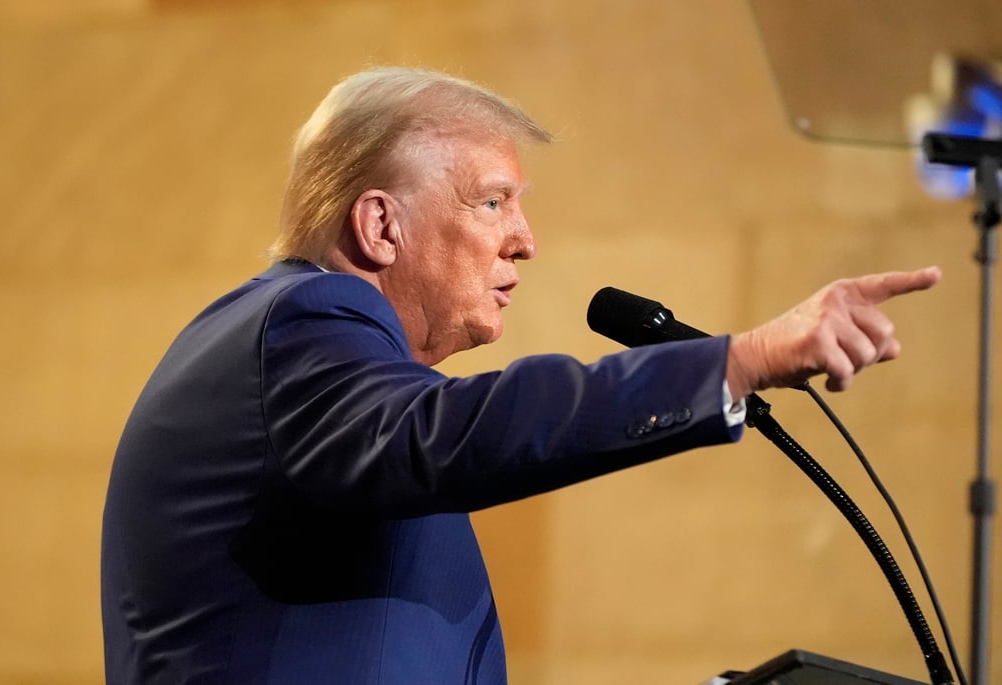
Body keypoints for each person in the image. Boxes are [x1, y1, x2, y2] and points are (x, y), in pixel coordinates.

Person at [100, 66, 941, 684]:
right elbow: (445, 435)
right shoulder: (305, 320)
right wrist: (741, 359)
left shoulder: (319, 368)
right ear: (380, 225)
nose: (526, 239)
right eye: (493, 201)